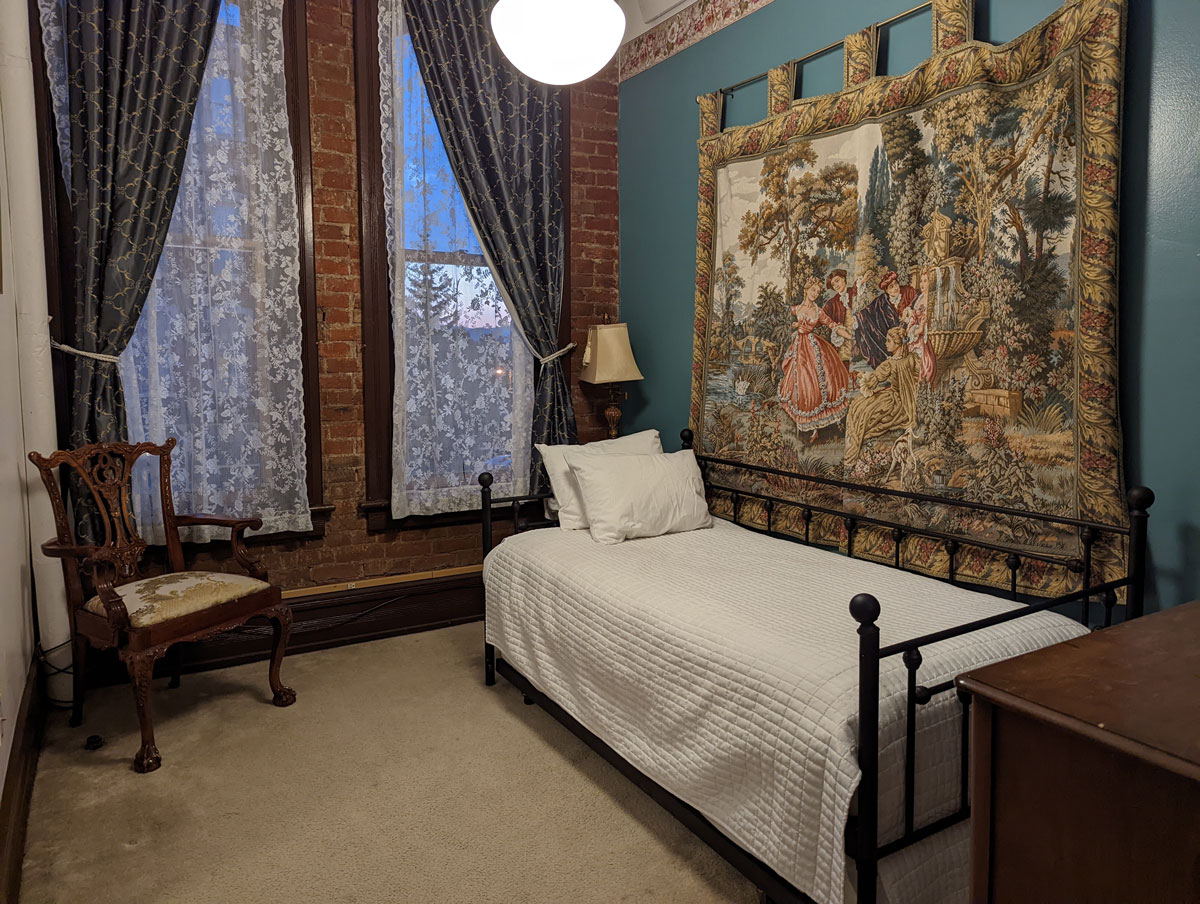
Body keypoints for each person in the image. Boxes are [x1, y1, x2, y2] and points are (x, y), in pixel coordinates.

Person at [779, 276, 854, 442]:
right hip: (799, 347)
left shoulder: (819, 311)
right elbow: (782, 315)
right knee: (800, 382)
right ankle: (804, 425)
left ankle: (815, 428)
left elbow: (833, 325)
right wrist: (793, 326)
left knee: (816, 382)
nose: (815, 294)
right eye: (813, 290)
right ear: (806, 289)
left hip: (813, 347)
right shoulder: (796, 309)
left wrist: (850, 336)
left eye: (818, 292)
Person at [843, 327, 920, 468]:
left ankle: (850, 459)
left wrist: (861, 375)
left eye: (889, 341)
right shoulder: (913, 358)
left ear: (897, 344)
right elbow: (919, 376)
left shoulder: (889, 364)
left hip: (894, 401)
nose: (885, 343)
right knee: (862, 406)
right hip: (908, 400)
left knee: (859, 407)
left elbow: (872, 381)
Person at [855, 270, 915, 368]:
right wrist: (857, 318)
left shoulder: (908, 291)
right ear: (886, 290)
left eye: (896, 284)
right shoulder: (882, 300)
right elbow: (868, 311)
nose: (895, 288)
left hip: (909, 331)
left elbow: (918, 299)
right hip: (892, 335)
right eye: (891, 287)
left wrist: (909, 309)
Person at [904, 267, 938, 384]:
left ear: (930, 282)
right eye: (921, 281)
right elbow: (913, 318)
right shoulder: (919, 299)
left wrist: (923, 328)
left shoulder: (933, 299)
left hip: (925, 338)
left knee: (927, 364)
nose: (922, 284)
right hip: (916, 335)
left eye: (925, 281)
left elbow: (934, 319)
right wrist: (913, 330)